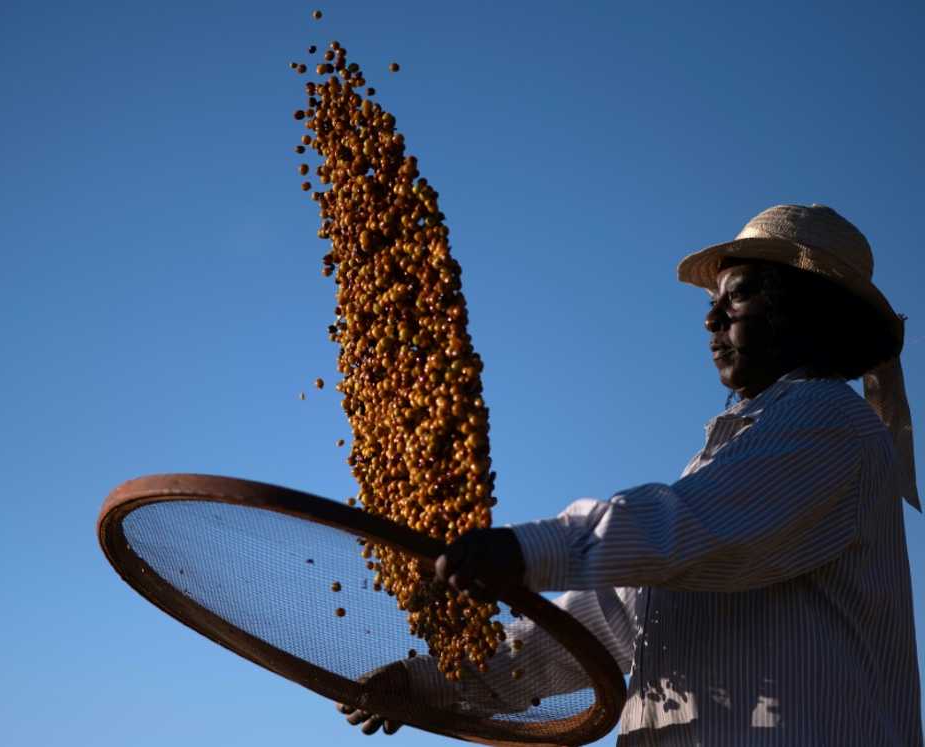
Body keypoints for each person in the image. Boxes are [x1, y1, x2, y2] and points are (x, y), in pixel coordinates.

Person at [339, 204, 923, 745]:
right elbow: (607, 621)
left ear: (810, 311)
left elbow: (684, 528)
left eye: (740, 295)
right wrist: (428, 681)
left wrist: (526, 549)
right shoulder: (733, 452)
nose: (711, 319)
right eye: (713, 301)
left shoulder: (828, 420)